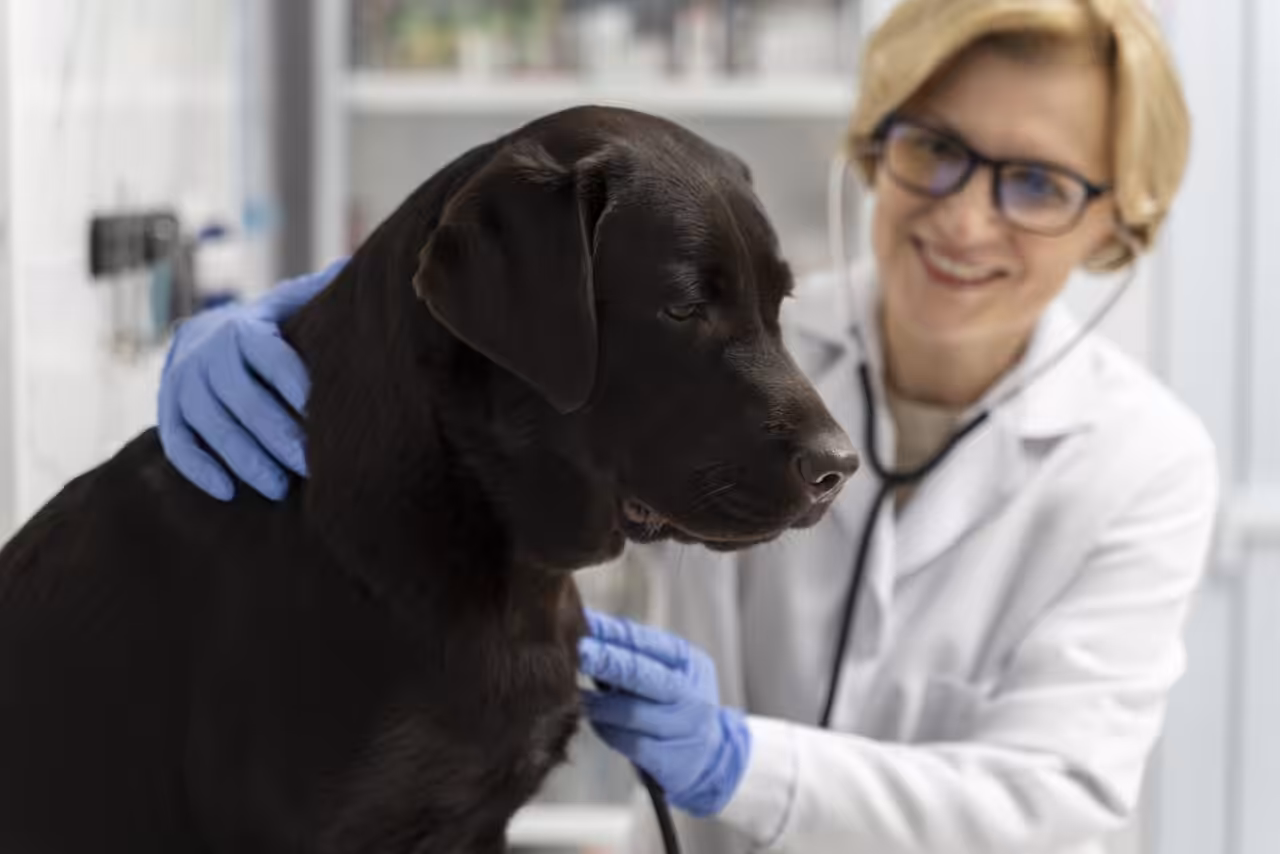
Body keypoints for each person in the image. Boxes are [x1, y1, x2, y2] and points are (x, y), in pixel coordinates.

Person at [156, 0, 1220, 851]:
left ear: (1114, 223)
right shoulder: (729, 338)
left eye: (1035, 183)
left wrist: (735, 762)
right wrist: (289, 325)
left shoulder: (1142, 464)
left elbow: (1054, 793)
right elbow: (513, 334)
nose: (965, 215)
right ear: (876, 143)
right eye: (935, 147)